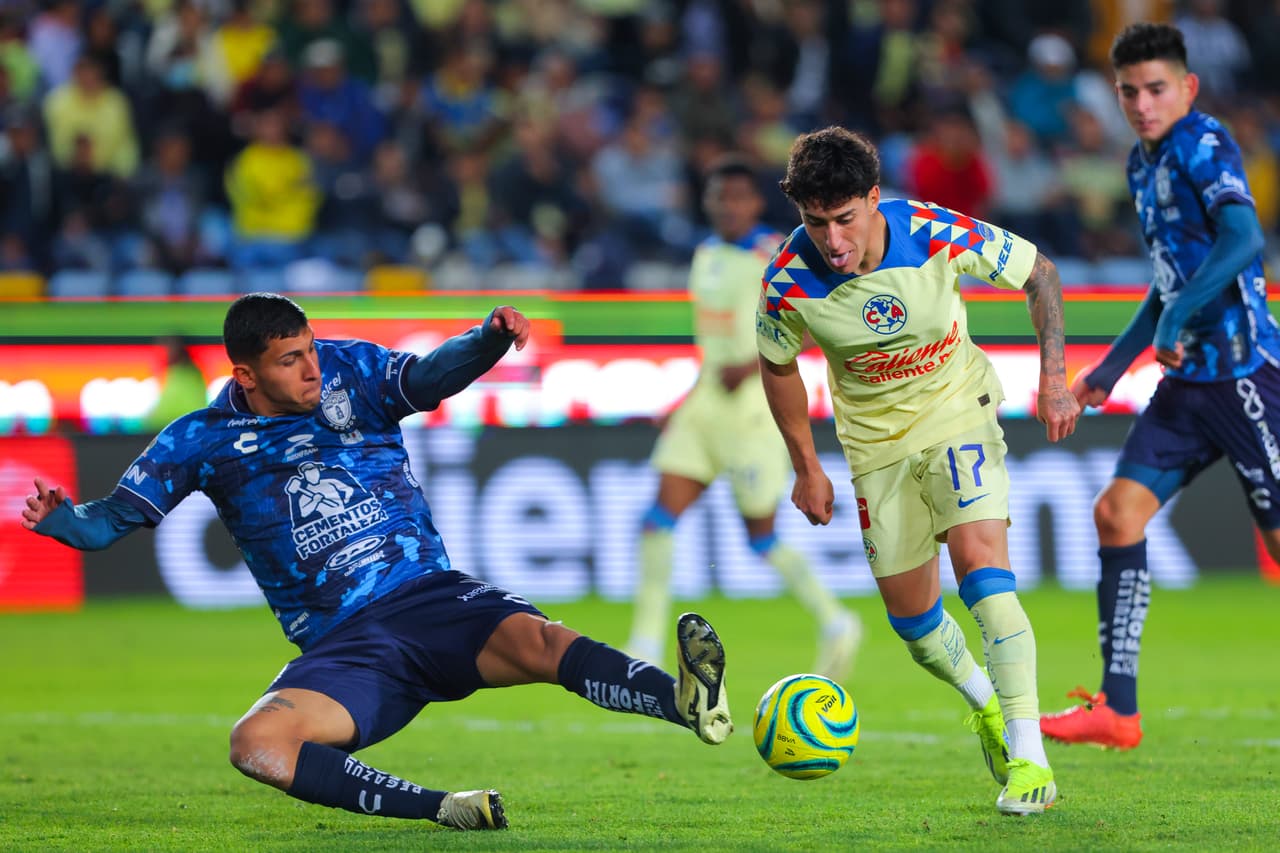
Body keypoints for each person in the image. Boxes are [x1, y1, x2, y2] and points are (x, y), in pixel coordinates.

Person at [20, 292, 732, 831]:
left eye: (309, 347)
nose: (312, 366)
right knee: (256, 742)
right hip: (345, 649)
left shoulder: (348, 371)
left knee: (541, 639)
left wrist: (485, 341)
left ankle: (683, 700)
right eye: (290, 358)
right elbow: (110, 521)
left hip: (428, 595)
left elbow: (426, 378)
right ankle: (442, 808)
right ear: (245, 372)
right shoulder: (198, 440)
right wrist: (61, 521)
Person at [755, 126, 1080, 815]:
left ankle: (1029, 753)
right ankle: (989, 708)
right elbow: (777, 363)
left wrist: (1055, 377)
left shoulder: (931, 230)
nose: (833, 240)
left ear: (875, 199)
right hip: (874, 450)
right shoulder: (787, 279)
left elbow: (1040, 274)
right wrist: (806, 464)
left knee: (981, 567)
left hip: (959, 412)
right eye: (816, 223)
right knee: (915, 626)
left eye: (845, 219)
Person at [1040, 22, 1277, 751]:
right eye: (1130, 92)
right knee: (1116, 513)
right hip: (1185, 387)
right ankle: (1118, 709)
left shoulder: (1203, 145)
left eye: (1157, 89)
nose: (1144, 104)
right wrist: (1107, 372)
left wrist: (1177, 311)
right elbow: (1167, 283)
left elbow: (1245, 239)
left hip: (1244, 379)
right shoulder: (1142, 166)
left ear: (1188, 88)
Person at [628, 156, 862, 680]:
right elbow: (710, 343)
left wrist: (752, 362)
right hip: (707, 402)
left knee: (761, 537)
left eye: (738, 197)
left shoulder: (776, 254)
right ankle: (642, 645)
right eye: (718, 196)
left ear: (756, 203)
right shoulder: (705, 253)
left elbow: (819, 316)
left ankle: (836, 619)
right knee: (655, 522)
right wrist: (687, 400)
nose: (728, 206)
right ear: (708, 202)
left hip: (758, 407)